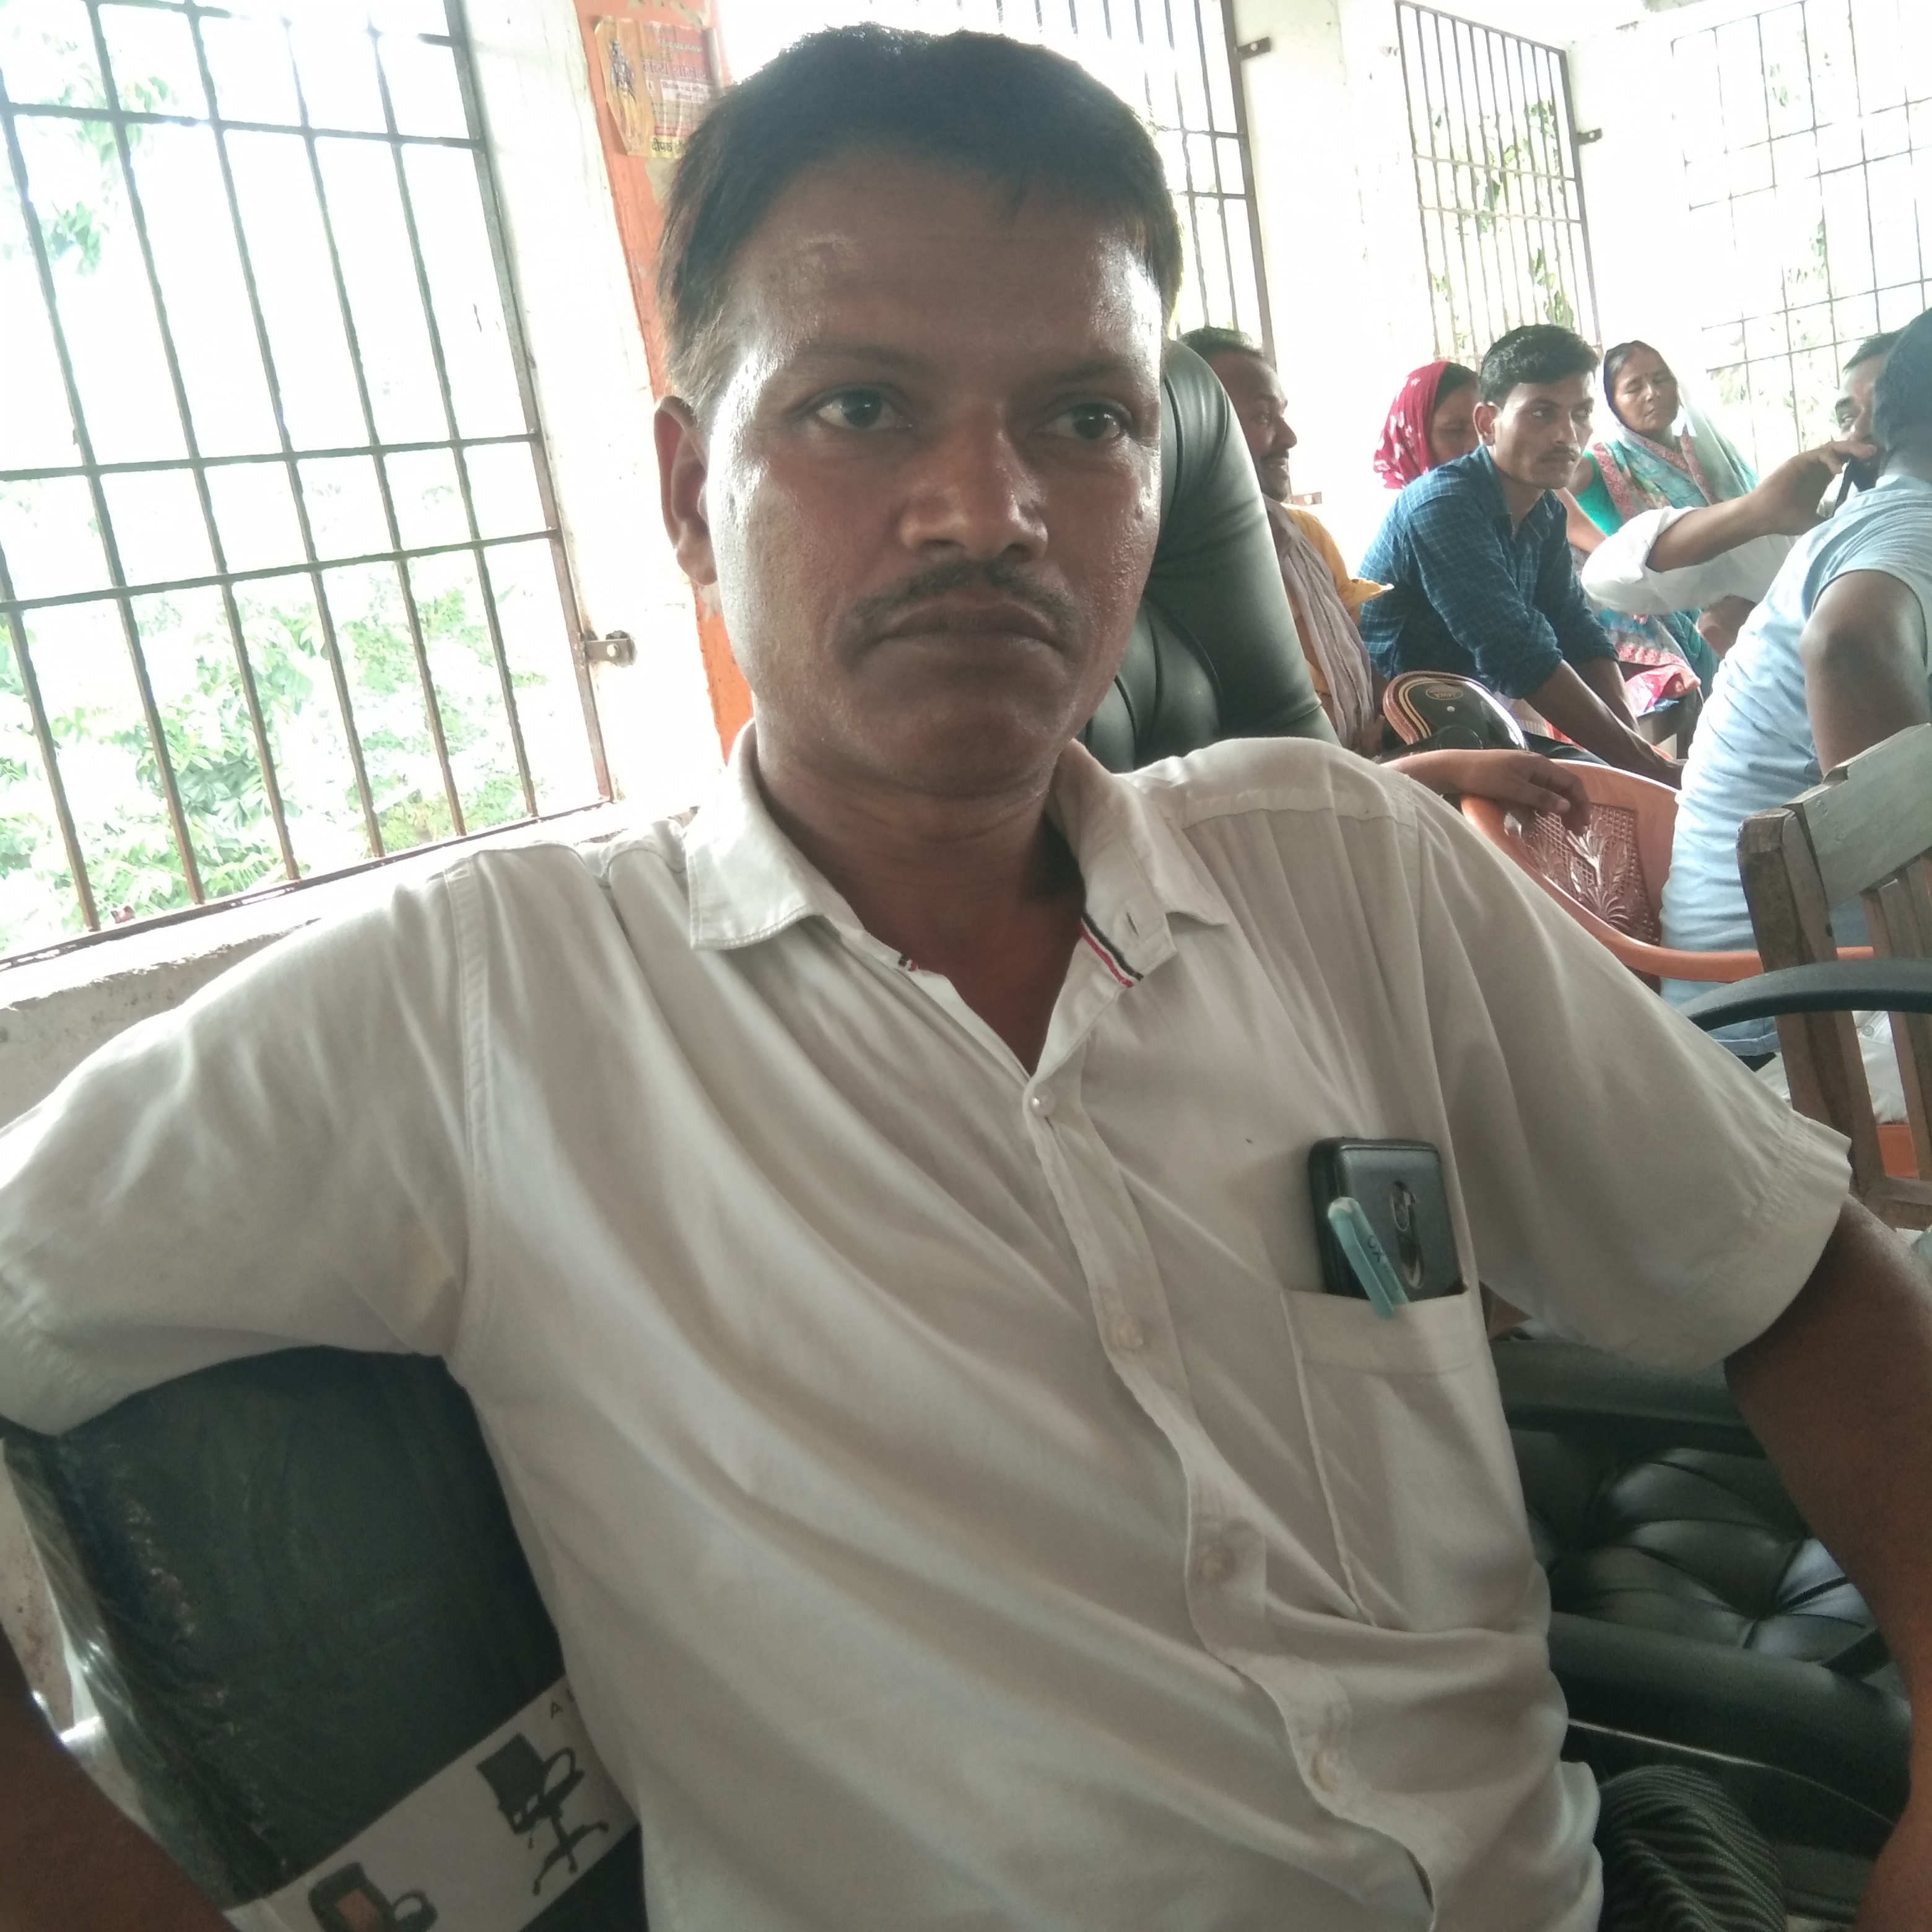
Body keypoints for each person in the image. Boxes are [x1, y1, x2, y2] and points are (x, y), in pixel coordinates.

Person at [2, 27, 1930, 1932]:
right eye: (858, 407)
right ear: (685, 491)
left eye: (1083, 420)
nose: (986, 508)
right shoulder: (486, 1007)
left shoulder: (1343, 868)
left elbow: (1790, 1271)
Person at [1661, 308, 1932, 1060]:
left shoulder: (1884, 519)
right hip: (1793, 1033)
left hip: (1803, 997)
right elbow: (1846, 646)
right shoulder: (1913, 527)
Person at [1358, 325, 1682, 782]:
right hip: (1401, 735)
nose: (1567, 435)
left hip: (1467, 721)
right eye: (1542, 413)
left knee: (1619, 784)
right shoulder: (1443, 506)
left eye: (1581, 413)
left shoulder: (1545, 509)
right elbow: (1515, 652)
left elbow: (1575, 630)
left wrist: (1638, 754)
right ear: (1487, 423)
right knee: (1596, 789)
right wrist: (1646, 766)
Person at [1584, 334, 1899, 623]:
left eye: (1660, 379)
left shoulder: (1708, 453)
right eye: (1846, 418)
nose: (1858, 431)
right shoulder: (1598, 465)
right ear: (1612, 404)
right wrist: (1757, 512)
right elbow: (1606, 577)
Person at [1178, 325, 1385, 749]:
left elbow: (1356, 659)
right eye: (1262, 416)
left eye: (1282, 414)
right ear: (1192, 427)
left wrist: (1387, 720)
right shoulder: (1167, 568)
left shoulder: (1306, 536)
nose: (1289, 437)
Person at [1373, 358, 1479, 489]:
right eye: (1455, 431)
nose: (1477, 445)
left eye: (1482, 429)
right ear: (1413, 436)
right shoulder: (1397, 500)